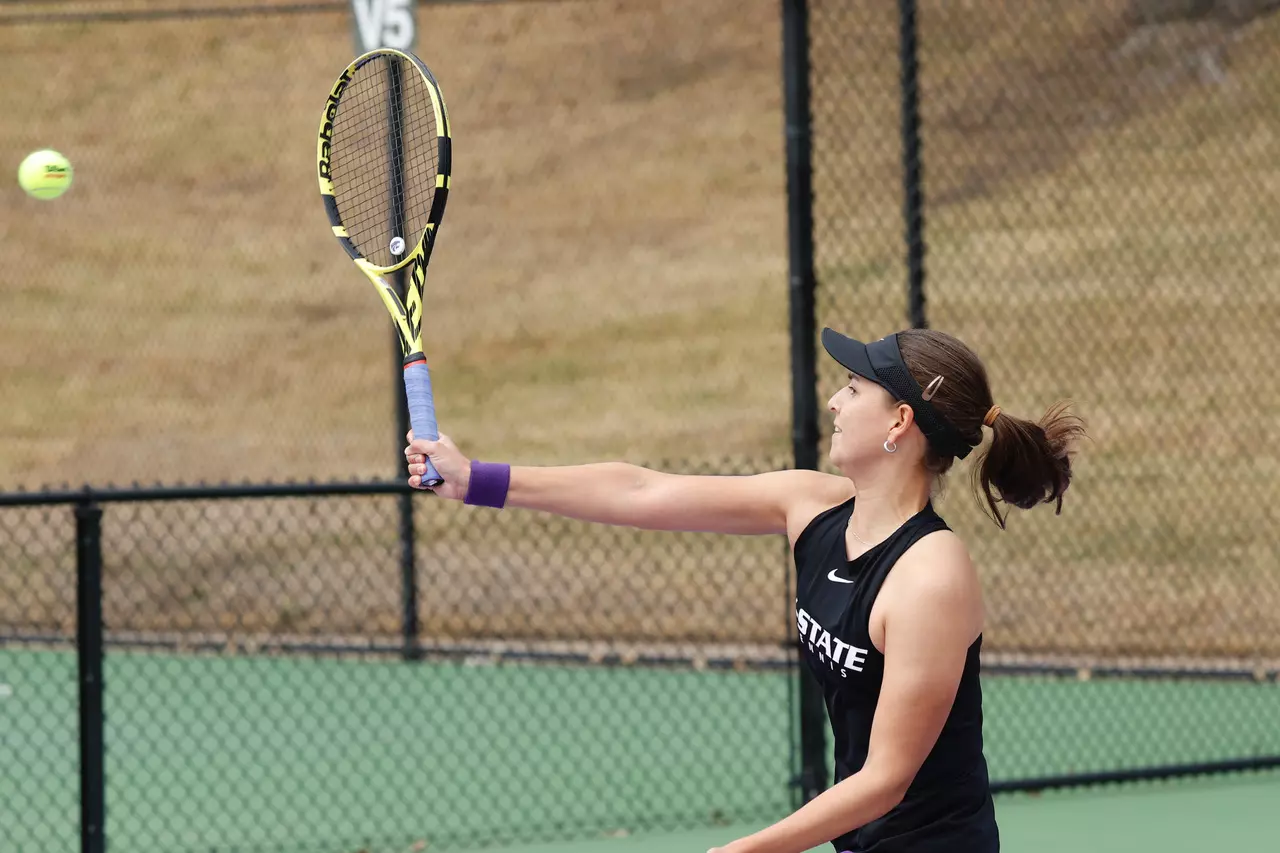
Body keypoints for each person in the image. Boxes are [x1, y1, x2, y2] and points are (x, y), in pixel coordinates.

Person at [403, 326, 1086, 853]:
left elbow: (887, 777)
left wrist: (751, 846)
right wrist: (475, 480)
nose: (834, 400)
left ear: (900, 422)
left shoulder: (931, 578)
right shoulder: (812, 506)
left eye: (853, 387)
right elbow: (642, 488)